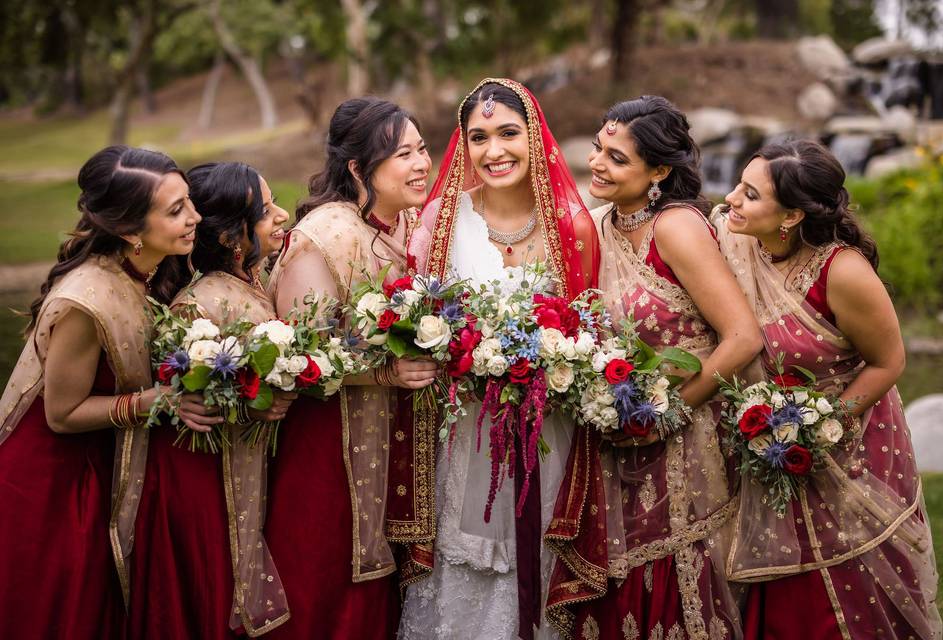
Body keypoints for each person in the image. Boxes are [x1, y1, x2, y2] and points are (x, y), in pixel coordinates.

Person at [544, 96, 762, 640]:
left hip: (686, 445)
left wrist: (667, 412)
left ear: (659, 171)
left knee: (679, 584)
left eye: (617, 158)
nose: (597, 163)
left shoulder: (676, 229)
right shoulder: (595, 226)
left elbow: (742, 338)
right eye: (598, 148)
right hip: (614, 441)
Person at [716, 139, 942, 639]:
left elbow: (889, 361)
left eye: (750, 194)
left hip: (845, 451)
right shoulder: (732, 243)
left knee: (840, 594)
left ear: (792, 216)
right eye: (738, 182)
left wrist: (813, 430)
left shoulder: (843, 273)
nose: (731, 198)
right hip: (759, 449)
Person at [402, 78, 600, 640]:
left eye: (509, 132)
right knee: (467, 570)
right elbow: (421, 322)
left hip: (549, 430)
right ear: (462, 146)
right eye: (479, 137)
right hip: (464, 431)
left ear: (535, 137)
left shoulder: (573, 228)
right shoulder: (439, 222)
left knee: (538, 561)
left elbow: (591, 328)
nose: (495, 151)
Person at [0, 145, 198, 639]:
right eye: (176, 211)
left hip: (108, 458)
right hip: (60, 483)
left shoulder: (148, 272)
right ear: (130, 231)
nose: (195, 217)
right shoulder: (84, 303)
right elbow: (60, 415)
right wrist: (152, 402)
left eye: (188, 201)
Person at [263, 97, 437, 639]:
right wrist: (384, 374)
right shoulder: (323, 237)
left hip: (393, 437)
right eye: (402, 154)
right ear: (359, 169)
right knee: (327, 571)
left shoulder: (410, 225)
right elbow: (301, 356)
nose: (421, 164)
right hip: (327, 444)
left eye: (422, 148)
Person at [127, 162, 297, 639]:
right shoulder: (197, 306)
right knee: (216, 596)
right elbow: (188, 407)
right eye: (266, 212)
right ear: (231, 238)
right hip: (206, 487)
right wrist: (250, 404)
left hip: (253, 467)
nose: (282, 216)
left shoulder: (253, 280)